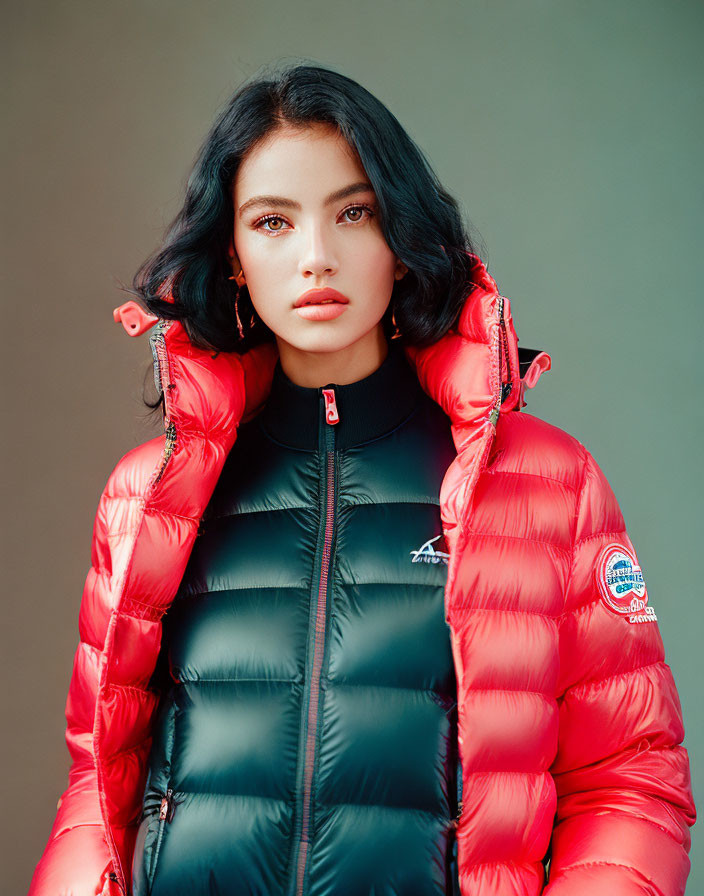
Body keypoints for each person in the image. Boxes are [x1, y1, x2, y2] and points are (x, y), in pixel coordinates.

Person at [28, 62, 695, 896]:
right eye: (272, 222)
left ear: (401, 239)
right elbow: (98, 786)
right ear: (232, 256)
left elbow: (628, 781)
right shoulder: (146, 496)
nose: (316, 257)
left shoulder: (544, 485)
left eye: (354, 212)